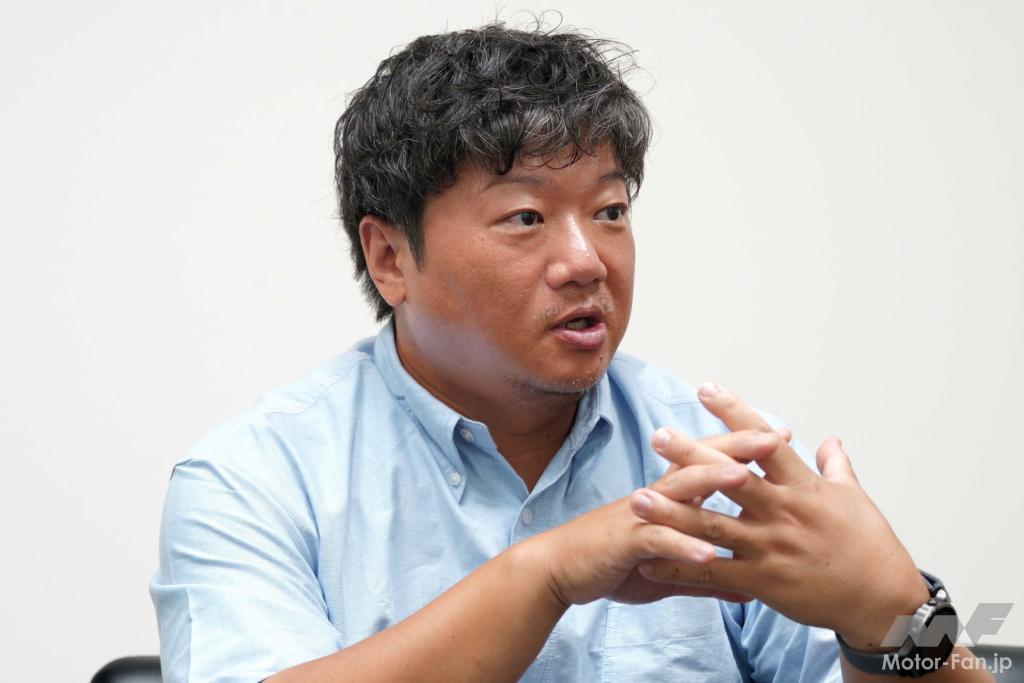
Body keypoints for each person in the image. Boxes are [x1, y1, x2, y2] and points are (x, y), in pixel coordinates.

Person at [150, 21, 992, 683]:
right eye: (525, 217)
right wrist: (545, 574)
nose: (587, 260)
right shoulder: (256, 479)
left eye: (610, 211)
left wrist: (899, 617)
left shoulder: (722, 462)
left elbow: (905, 646)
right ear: (390, 257)